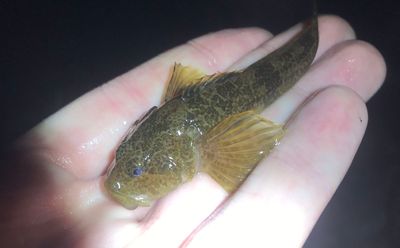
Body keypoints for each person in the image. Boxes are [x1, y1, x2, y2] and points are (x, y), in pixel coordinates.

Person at [0, 15, 386, 247]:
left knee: (312, 45)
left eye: (134, 171)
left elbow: (246, 146)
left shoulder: (204, 147)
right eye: (126, 165)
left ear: (174, 158)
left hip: (261, 81)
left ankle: (314, 29)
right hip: (208, 102)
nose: (121, 179)